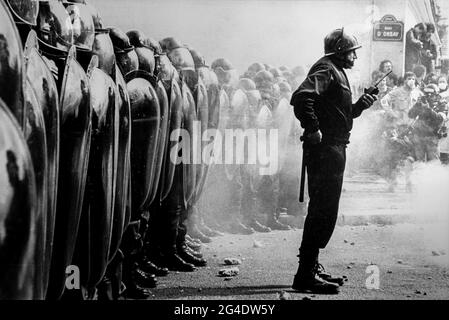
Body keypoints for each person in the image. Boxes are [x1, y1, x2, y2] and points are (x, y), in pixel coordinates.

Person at [290, 28, 377, 294]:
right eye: (352, 51)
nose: (354, 56)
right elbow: (301, 97)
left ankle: (311, 266)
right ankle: (304, 275)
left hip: (334, 148)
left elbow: (341, 114)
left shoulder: (335, 71)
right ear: (340, 50)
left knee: (325, 210)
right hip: (326, 150)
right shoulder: (326, 68)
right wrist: (313, 127)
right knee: (321, 210)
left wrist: (361, 104)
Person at [408, 84, 447, 162]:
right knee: (419, 162)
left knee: (433, 163)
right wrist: (417, 105)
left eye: (431, 94)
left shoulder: (442, 105)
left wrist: (428, 108)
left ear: (436, 95)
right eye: (426, 94)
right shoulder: (421, 104)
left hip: (432, 137)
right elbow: (410, 115)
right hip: (419, 136)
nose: (429, 96)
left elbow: (439, 119)